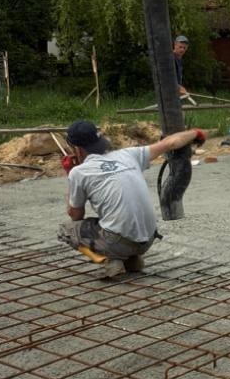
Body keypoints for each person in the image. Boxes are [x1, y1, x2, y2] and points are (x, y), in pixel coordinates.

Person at [57, 116, 205, 278]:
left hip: (118, 242)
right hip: (147, 240)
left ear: (77, 150)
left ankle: (108, 259)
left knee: (66, 230)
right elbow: (170, 143)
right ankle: (132, 260)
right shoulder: (128, 154)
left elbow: (76, 215)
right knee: (112, 223)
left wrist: (70, 174)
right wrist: (195, 133)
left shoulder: (79, 172)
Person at [173, 32, 197, 107]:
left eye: (184, 48)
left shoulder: (179, 59)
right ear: (175, 45)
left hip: (175, 90)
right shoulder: (170, 58)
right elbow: (168, 77)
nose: (182, 49)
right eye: (180, 47)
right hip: (168, 91)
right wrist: (179, 87)